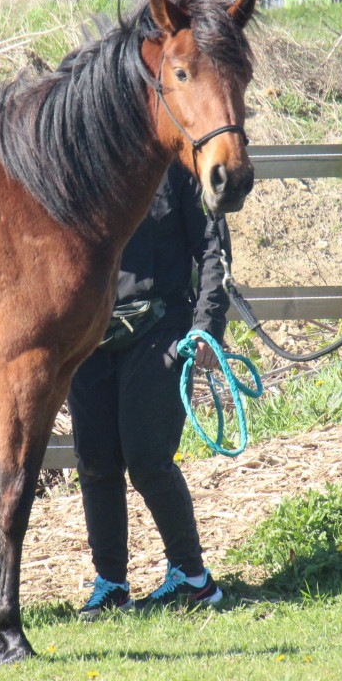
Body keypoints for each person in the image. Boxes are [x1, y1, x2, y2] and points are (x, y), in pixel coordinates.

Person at [68, 160, 229, 620]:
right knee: (95, 460)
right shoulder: (75, 160)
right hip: (88, 332)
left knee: (148, 459)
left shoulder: (178, 167)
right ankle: (111, 584)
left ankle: (192, 577)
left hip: (159, 327)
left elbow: (212, 248)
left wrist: (207, 326)